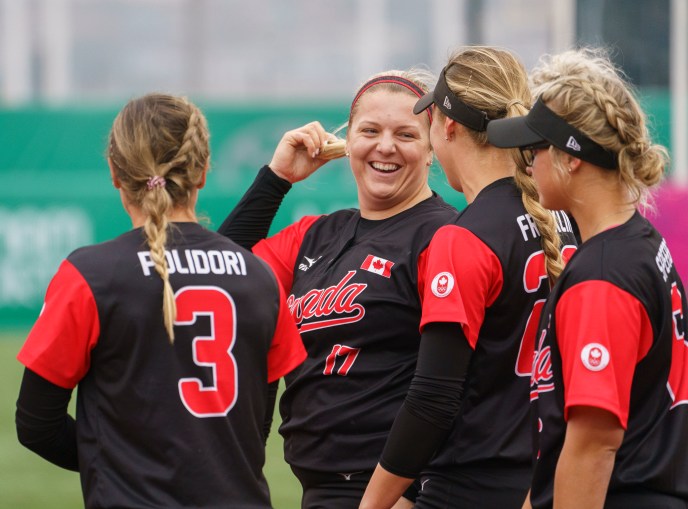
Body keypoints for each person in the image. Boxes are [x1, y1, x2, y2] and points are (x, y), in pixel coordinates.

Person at [15, 93, 306, 509]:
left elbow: (36, 425)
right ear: (203, 171)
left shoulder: (89, 275)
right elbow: (255, 426)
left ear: (115, 172)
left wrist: (124, 463)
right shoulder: (260, 277)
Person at [217, 69, 459, 508]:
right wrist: (276, 179)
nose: (385, 146)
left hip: (398, 491)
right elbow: (218, 278)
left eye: (405, 133)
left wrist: (421, 493)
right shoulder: (315, 236)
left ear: (431, 150)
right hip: (322, 488)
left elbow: (459, 383)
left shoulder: (443, 237)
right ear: (347, 140)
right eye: (369, 130)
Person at [359, 46, 578, 509]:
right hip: (553, 482)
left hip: (473, 485)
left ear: (448, 125)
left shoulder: (466, 238)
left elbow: (432, 399)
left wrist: (372, 503)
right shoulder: (567, 219)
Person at [487, 48, 688, 508]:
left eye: (533, 149)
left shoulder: (603, 275)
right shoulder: (640, 244)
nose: (527, 164)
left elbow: (594, 445)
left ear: (570, 157)